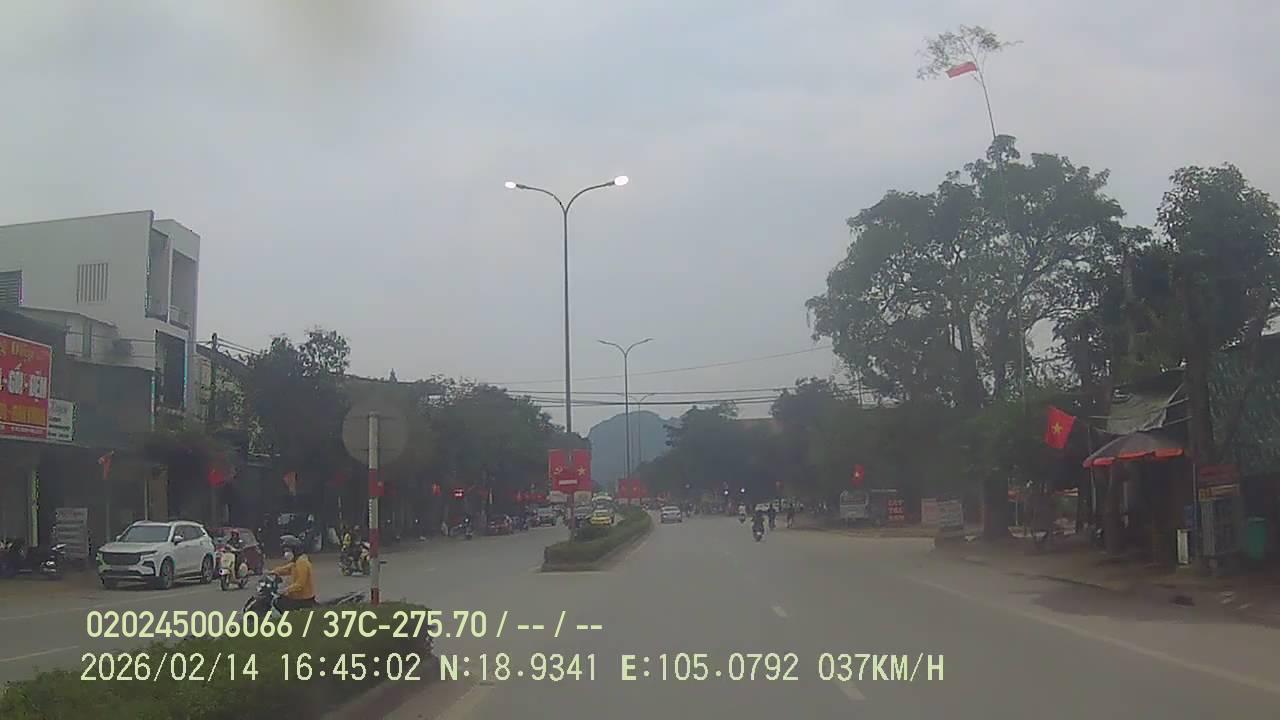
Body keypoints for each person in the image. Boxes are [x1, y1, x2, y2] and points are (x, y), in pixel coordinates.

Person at [269, 537, 316, 612]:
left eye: (288, 550)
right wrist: (273, 572)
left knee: (278, 604)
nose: (286, 554)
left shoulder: (302, 563)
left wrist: (285, 590)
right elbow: (287, 569)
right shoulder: (297, 561)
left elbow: (300, 584)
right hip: (296, 598)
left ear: (295, 550)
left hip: (303, 600)